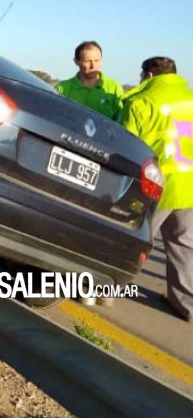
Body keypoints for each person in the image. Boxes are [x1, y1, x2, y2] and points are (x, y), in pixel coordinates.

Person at [120, 56, 193, 323]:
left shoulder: (141, 101)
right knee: (184, 245)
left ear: (149, 76)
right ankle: (186, 304)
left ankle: (105, 289)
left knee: (132, 238)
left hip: (157, 183)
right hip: (189, 184)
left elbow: (127, 146)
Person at [56, 41, 125, 120]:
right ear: (76, 61)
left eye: (97, 60)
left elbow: (121, 122)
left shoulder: (114, 88)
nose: (93, 66)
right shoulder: (62, 89)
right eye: (87, 61)